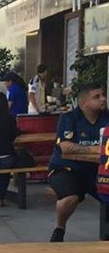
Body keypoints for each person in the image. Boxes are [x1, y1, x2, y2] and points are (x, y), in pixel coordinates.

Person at [47, 83, 108, 242]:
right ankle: (59, 228)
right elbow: (65, 147)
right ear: (83, 103)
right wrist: (98, 148)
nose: (103, 99)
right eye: (97, 97)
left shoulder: (106, 117)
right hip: (66, 169)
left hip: (98, 170)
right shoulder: (69, 118)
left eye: (103, 95)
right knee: (70, 197)